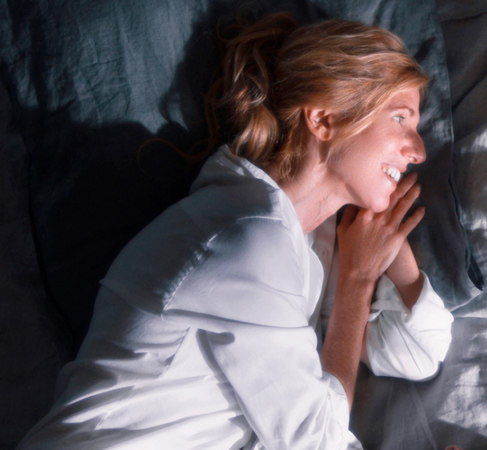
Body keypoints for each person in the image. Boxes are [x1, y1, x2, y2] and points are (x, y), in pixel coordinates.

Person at [18, 12, 453, 449]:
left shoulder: (306, 244)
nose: (418, 151)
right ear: (324, 120)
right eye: (400, 119)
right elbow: (317, 441)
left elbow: (418, 351)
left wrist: (380, 243)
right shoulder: (247, 238)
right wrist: (357, 283)